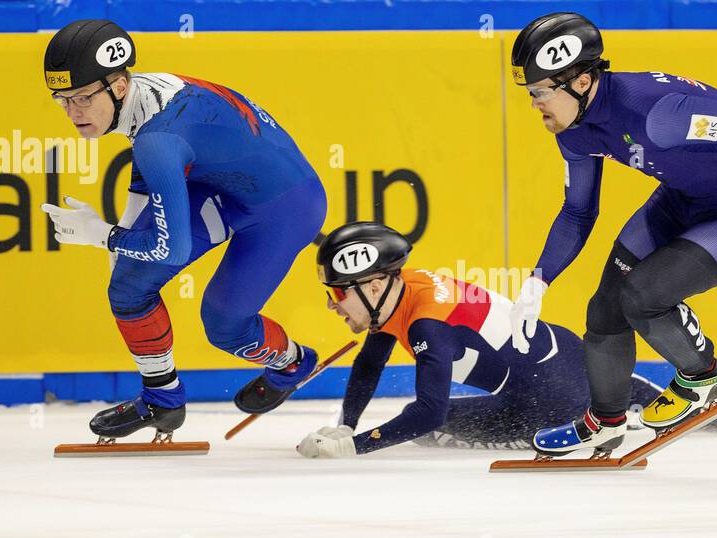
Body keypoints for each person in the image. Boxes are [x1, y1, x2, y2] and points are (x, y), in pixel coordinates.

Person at [505, 13, 717, 457]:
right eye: (530, 93)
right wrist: (539, 279)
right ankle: (605, 421)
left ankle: (702, 376)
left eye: (540, 92)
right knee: (604, 310)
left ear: (580, 82)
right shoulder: (575, 132)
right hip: (683, 200)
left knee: (643, 296)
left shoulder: (657, 114)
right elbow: (578, 211)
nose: (534, 104)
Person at [39, 19, 327, 441]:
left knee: (224, 327)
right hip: (220, 182)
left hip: (286, 208)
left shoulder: (160, 139)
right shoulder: (146, 98)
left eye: (82, 97)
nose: (73, 112)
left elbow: (170, 248)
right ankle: (163, 399)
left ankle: (293, 362)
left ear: (119, 86)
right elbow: (153, 171)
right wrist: (122, 236)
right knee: (127, 286)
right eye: (61, 100)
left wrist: (102, 234)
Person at [296, 223, 662, 458]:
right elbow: (370, 362)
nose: (331, 305)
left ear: (374, 286)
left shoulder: (428, 325)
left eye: (337, 293)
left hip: (546, 403)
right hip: (572, 355)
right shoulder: (401, 287)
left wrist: (353, 446)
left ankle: (598, 410)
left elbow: (429, 413)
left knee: (430, 428)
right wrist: (348, 423)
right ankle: (647, 397)